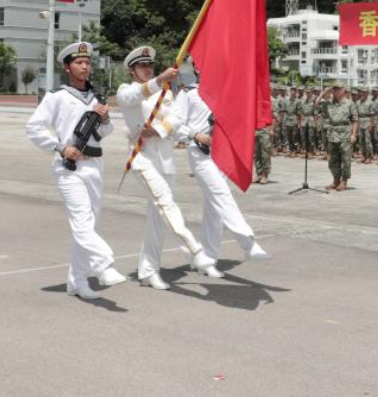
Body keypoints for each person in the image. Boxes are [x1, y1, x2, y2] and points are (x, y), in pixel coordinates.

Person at [25, 41, 127, 300]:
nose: (85, 66)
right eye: (79, 63)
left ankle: (77, 281)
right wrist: (60, 147)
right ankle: (104, 265)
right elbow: (34, 127)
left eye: (87, 62)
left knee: (90, 224)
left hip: (94, 164)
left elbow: (104, 133)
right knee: (82, 220)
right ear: (67, 67)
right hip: (68, 167)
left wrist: (104, 119)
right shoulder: (57, 96)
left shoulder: (96, 96)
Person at [115, 46, 215, 290]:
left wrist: (189, 134)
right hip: (143, 159)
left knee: (158, 220)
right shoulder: (127, 90)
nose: (147, 69)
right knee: (166, 205)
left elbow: (176, 120)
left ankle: (148, 271)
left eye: (150, 65)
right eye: (141, 66)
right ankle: (195, 249)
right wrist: (159, 81)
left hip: (166, 161)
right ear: (132, 70)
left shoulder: (166, 94)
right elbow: (132, 98)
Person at [174, 63, 269, 275]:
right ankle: (248, 243)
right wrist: (196, 135)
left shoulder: (225, 93)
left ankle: (207, 257)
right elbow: (174, 125)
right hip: (199, 154)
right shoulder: (189, 94)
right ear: (198, 70)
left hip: (222, 153)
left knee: (213, 208)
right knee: (221, 194)